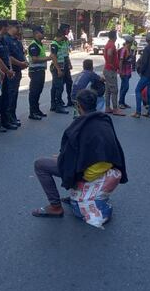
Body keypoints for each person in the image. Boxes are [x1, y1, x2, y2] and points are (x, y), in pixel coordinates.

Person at [30, 89, 128, 217]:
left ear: (78, 105)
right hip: (109, 167)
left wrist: (61, 158)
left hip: (88, 172)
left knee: (40, 164)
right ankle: (76, 195)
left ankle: (55, 207)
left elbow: (69, 160)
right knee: (65, 159)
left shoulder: (78, 125)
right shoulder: (104, 119)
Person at [0, 20, 16, 132]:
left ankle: (4, 121)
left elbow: (7, 56)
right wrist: (6, 71)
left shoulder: (4, 40)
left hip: (5, 74)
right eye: (7, 27)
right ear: (3, 27)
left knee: (5, 98)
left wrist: (10, 70)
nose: (8, 29)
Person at [5, 20, 28, 127]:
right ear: (10, 27)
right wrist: (21, 63)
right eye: (16, 27)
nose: (18, 29)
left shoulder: (16, 40)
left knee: (14, 95)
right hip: (11, 71)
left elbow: (21, 53)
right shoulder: (6, 39)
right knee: (10, 95)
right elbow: (9, 57)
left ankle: (12, 116)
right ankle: (8, 117)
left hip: (17, 71)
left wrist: (24, 62)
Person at [27, 26, 51, 120]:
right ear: (36, 33)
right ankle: (32, 112)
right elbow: (34, 59)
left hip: (40, 71)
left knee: (38, 91)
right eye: (42, 32)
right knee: (34, 92)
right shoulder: (34, 45)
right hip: (35, 71)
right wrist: (49, 58)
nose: (43, 34)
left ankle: (36, 110)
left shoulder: (39, 44)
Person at [102, 30, 124, 116]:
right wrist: (112, 64)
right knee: (114, 90)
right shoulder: (111, 45)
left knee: (108, 90)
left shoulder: (108, 44)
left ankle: (108, 107)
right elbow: (110, 53)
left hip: (107, 69)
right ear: (115, 36)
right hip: (110, 70)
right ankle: (115, 108)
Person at [49, 26, 70, 114]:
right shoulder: (55, 44)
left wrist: (68, 64)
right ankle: (58, 106)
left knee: (55, 86)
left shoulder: (62, 42)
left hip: (62, 66)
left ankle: (54, 105)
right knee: (59, 87)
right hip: (57, 67)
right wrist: (58, 70)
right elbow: (53, 57)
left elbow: (65, 54)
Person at [60, 24, 75, 107]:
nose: (69, 31)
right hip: (60, 64)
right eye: (68, 29)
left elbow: (66, 53)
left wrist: (69, 63)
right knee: (59, 84)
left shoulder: (66, 40)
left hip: (65, 63)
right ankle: (57, 101)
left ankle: (69, 99)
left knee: (69, 82)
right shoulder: (58, 40)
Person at [118, 36, 134, 109]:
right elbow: (121, 61)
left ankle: (122, 102)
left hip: (127, 71)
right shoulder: (124, 50)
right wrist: (121, 71)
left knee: (123, 87)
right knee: (125, 87)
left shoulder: (129, 50)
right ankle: (121, 102)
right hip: (124, 72)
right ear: (129, 43)